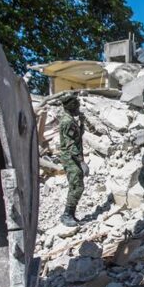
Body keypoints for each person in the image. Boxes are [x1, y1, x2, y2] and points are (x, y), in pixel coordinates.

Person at [59, 93, 89, 226]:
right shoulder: (67, 121)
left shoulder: (71, 119)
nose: (79, 108)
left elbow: (77, 137)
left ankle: (71, 215)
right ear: (71, 106)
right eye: (77, 106)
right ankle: (67, 215)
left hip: (73, 157)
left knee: (77, 185)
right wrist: (82, 162)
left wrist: (82, 123)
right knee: (77, 186)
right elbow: (70, 144)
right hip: (71, 159)